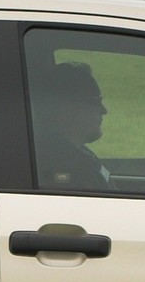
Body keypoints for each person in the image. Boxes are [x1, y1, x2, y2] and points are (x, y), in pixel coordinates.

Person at [30, 59, 111, 192]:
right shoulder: (71, 172)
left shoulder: (77, 156)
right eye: (96, 101)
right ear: (67, 110)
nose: (104, 110)